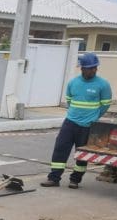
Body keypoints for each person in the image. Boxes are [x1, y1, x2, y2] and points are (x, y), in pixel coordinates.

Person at [41, 52, 112, 189]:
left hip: (88, 126)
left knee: (82, 154)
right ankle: (54, 178)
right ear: (82, 68)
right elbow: (69, 100)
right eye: (90, 68)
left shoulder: (103, 84)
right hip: (70, 122)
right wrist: (74, 113)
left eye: (95, 67)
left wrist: (94, 117)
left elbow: (105, 105)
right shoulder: (73, 82)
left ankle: (75, 180)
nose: (93, 70)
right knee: (60, 149)